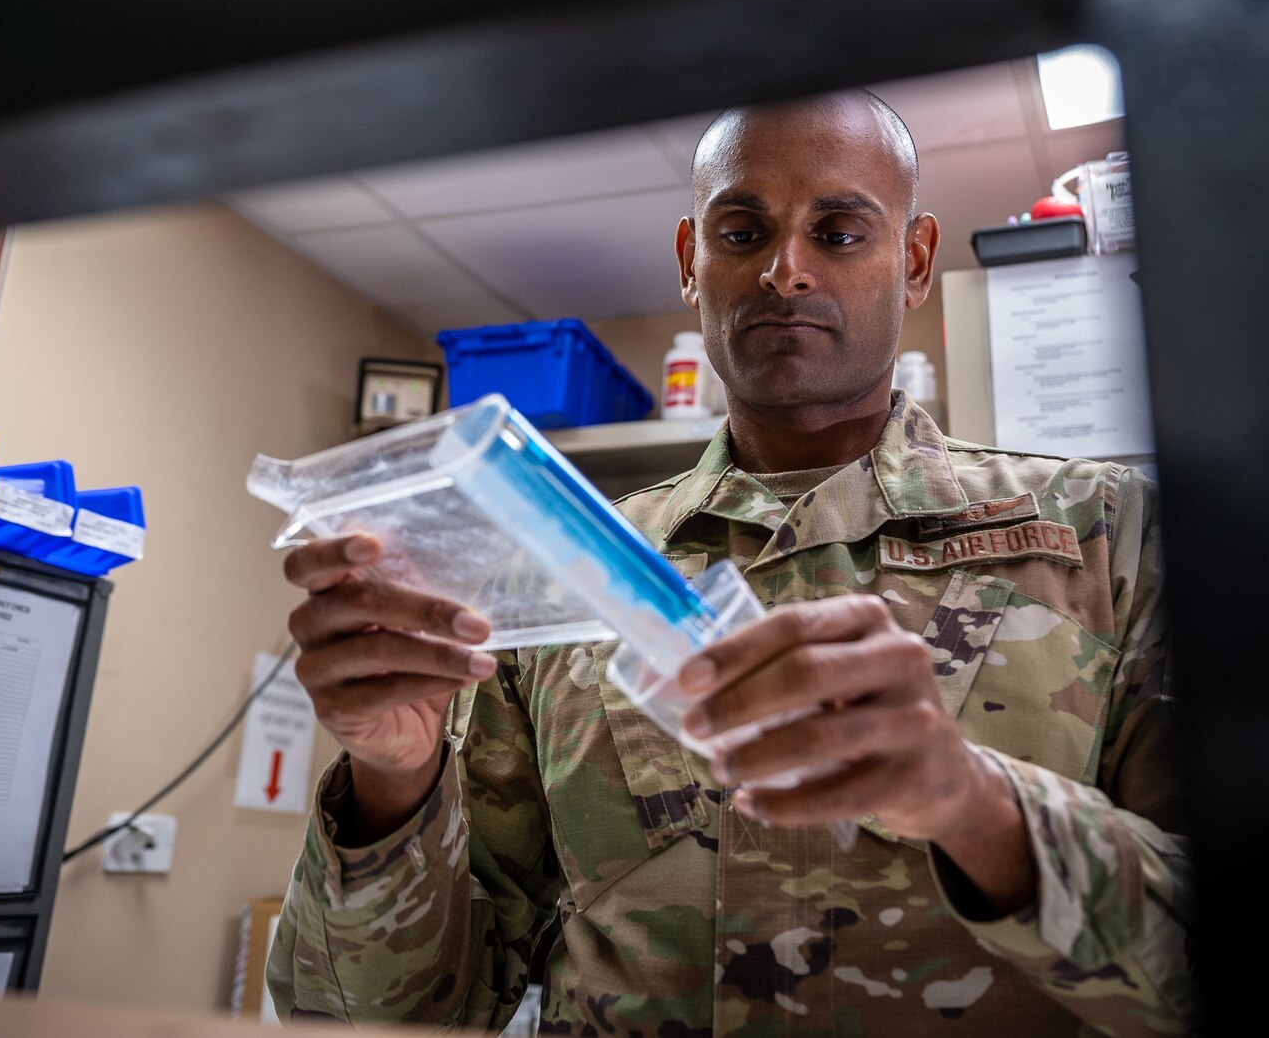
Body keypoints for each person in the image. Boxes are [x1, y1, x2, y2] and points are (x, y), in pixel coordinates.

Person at [268, 91, 1194, 1035]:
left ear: (914, 263)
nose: (784, 273)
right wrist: (394, 780)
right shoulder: (568, 571)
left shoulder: (1106, 531)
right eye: (743, 231)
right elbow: (379, 1014)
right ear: (690, 263)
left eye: (837, 233)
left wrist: (973, 801)